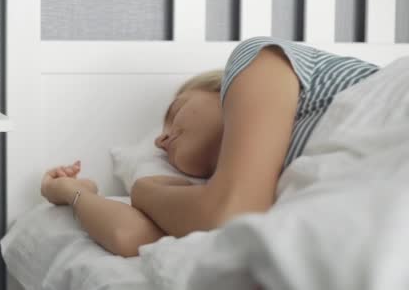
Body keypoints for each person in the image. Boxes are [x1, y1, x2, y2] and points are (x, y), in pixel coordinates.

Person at [40, 36, 380, 257]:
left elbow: (229, 215)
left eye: (174, 113)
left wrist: (144, 191)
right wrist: (74, 193)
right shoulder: (255, 186)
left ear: (219, 89)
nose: (161, 139)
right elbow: (129, 236)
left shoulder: (259, 60)